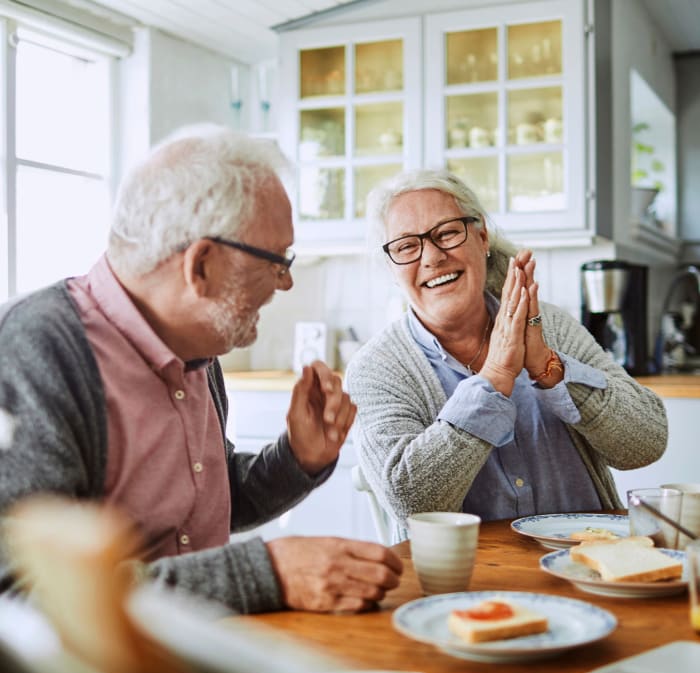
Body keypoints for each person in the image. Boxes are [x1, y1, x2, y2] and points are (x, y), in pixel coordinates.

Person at [0, 124, 402, 613]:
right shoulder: (33, 351)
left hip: (204, 658)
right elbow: (23, 594)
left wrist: (299, 458)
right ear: (202, 266)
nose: (287, 282)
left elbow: (207, 505)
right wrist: (267, 573)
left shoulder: (195, 345)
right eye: (278, 260)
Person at [346, 169, 668, 542]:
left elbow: (646, 444)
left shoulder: (549, 326)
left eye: (447, 233)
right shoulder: (376, 369)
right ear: (391, 266)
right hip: (466, 588)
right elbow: (412, 502)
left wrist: (552, 369)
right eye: (406, 246)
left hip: (591, 564)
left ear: (481, 235)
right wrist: (494, 378)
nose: (432, 257)